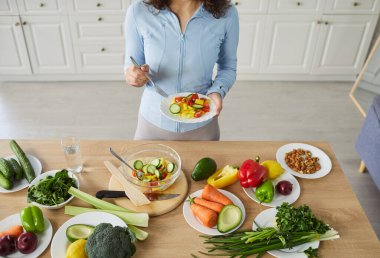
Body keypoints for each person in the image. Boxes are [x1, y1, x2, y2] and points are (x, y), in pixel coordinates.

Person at [124, 0, 239, 140]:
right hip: (152, 126)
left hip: (202, 125)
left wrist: (217, 92)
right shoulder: (139, 11)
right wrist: (133, 75)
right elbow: (131, 64)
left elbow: (228, 67)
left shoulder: (227, 13)